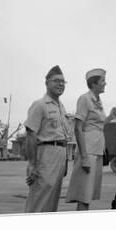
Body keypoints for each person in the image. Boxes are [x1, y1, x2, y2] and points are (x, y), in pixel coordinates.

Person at [66, 68, 116, 211]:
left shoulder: (97, 101)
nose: (105, 83)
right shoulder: (85, 99)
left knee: (88, 195)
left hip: (97, 150)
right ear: (94, 83)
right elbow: (78, 128)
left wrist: (110, 117)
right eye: (102, 81)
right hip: (88, 151)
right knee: (84, 194)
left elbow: (98, 125)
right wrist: (84, 157)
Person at [24, 65, 73, 213]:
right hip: (45, 155)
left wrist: (64, 162)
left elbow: (63, 137)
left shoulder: (61, 107)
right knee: (40, 198)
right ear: (46, 83)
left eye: (63, 82)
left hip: (59, 156)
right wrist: (32, 164)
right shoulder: (39, 105)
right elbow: (31, 135)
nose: (60, 84)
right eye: (56, 81)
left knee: (52, 201)